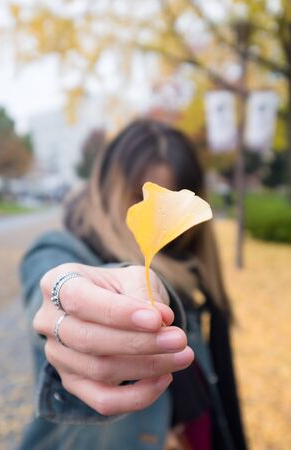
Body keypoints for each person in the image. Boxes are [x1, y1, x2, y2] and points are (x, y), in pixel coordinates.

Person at [17, 119, 247, 450]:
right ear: (106, 188)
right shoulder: (61, 248)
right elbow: (51, 277)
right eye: (136, 197)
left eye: (169, 202)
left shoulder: (194, 277)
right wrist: (65, 294)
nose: (154, 216)